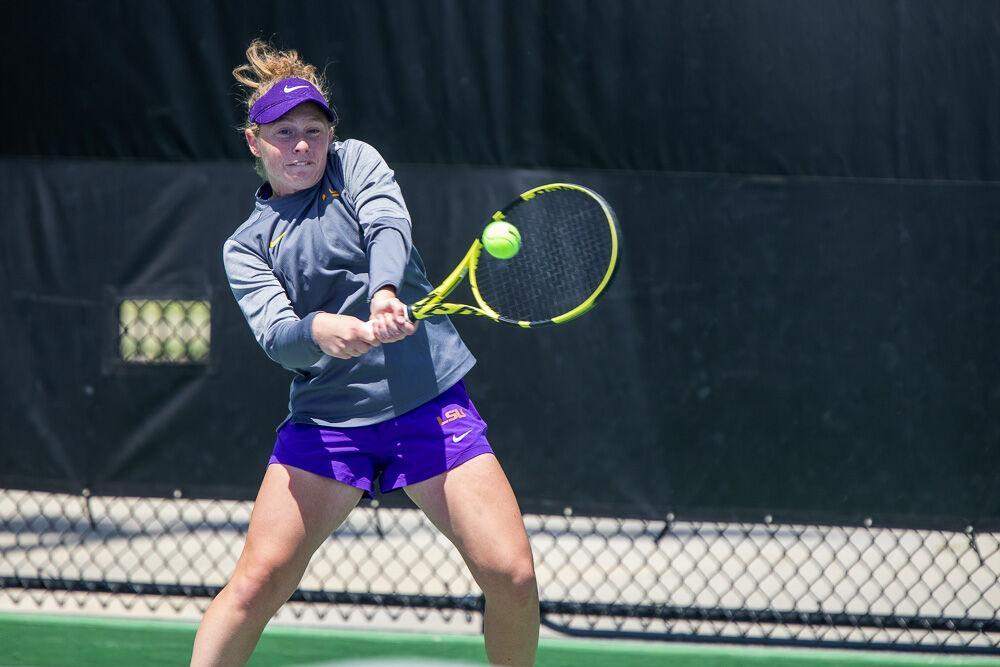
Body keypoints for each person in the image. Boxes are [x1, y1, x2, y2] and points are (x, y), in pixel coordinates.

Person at [190, 40, 539, 666]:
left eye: (314, 131)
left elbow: (387, 224)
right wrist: (320, 329)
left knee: (511, 575)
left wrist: (382, 292)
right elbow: (278, 335)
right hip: (329, 424)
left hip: (427, 405)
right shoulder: (245, 246)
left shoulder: (355, 164)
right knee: (254, 586)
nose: (302, 145)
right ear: (254, 141)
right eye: (284, 132)